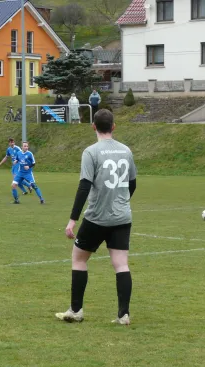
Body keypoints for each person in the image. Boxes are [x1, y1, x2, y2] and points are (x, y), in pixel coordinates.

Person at [56, 109, 138, 325]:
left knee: (79, 259)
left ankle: (76, 310)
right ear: (113, 127)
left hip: (96, 217)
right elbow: (132, 184)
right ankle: (123, 315)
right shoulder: (126, 151)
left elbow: (84, 187)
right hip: (122, 217)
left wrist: (73, 220)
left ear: (93, 127)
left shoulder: (91, 152)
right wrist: (120, 201)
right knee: (121, 264)